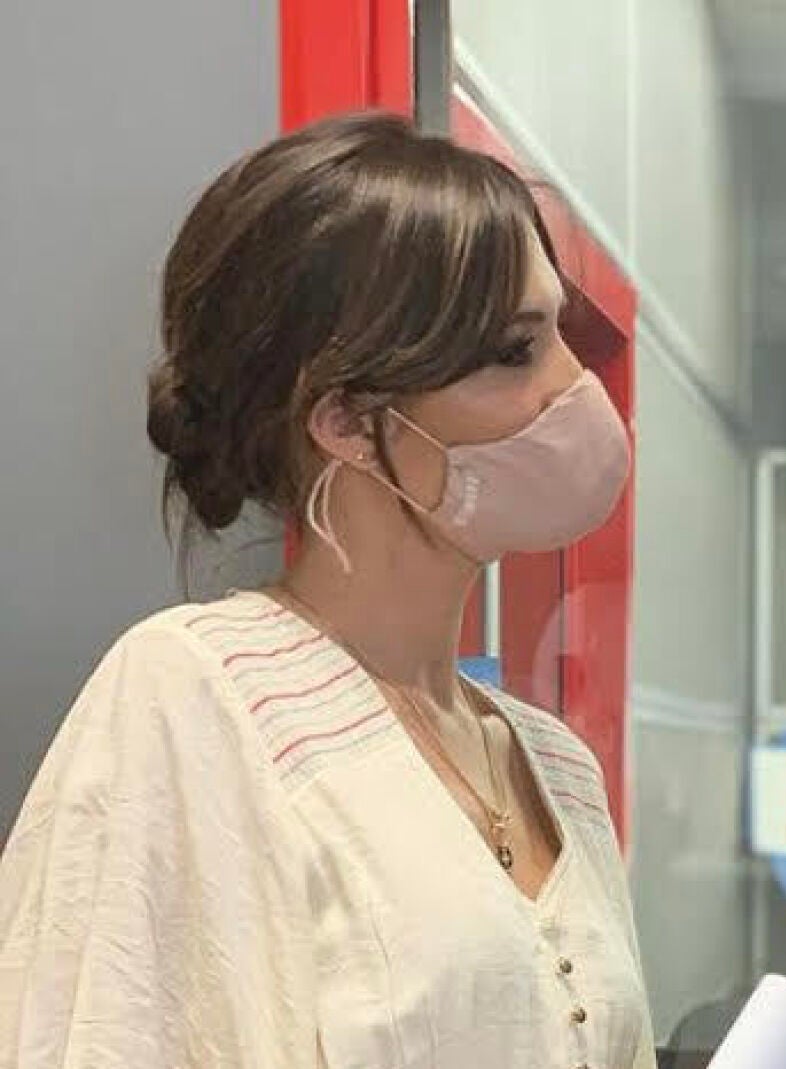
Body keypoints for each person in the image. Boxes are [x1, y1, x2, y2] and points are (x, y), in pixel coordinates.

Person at [0, 113, 656, 1069]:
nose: (573, 386)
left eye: (562, 335)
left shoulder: (559, 766)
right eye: (514, 351)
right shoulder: (199, 696)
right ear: (347, 419)